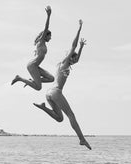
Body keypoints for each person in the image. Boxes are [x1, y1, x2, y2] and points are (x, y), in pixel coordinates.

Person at [33, 20, 91, 150]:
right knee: (71, 115)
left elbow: (77, 58)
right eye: (73, 58)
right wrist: (79, 28)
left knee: (60, 118)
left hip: (49, 93)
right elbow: (73, 46)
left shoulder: (64, 65)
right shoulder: (65, 63)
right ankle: (82, 139)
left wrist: (81, 48)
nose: (75, 61)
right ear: (70, 57)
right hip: (56, 92)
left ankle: (43, 107)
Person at [11, 6, 55, 90]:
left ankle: (33, 80)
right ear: (45, 36)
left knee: (51, 78)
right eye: (49, 36)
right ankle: (19, 78)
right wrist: (49, 16)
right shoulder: (41, 41)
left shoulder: (43, 43)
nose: (50, 38)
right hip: (32, 66)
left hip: (36, 66)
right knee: (38, 87)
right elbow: (46, 27)